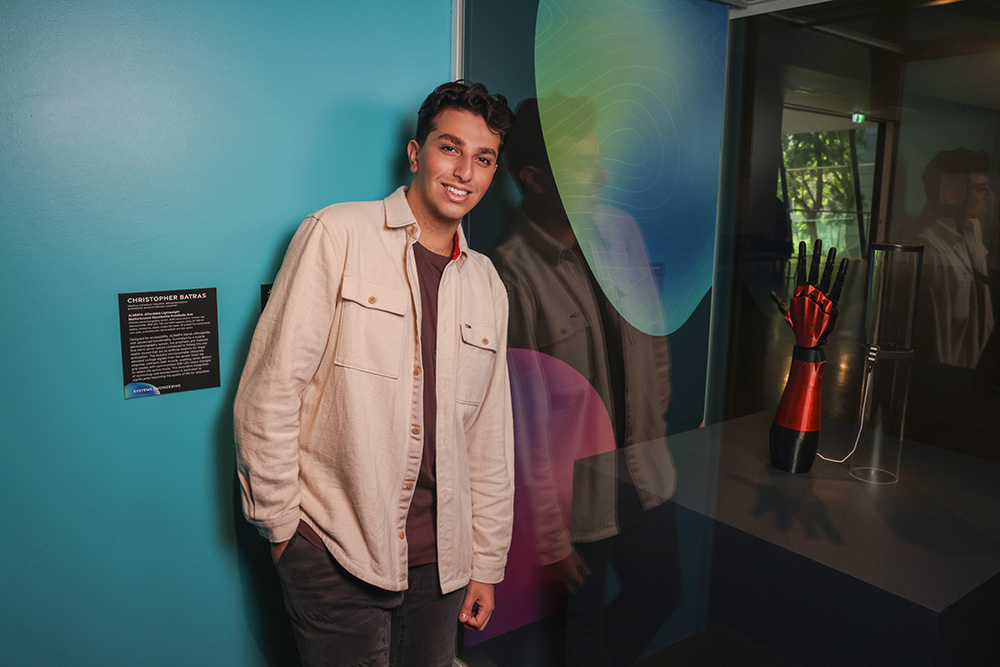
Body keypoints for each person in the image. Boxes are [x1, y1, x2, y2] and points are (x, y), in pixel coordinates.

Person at [233, 80, 515, 667]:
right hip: (336, 551)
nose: (464, 171)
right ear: (416, 154)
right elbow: (270, 391)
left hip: (442, 564)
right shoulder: (336, 234)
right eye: (449, 148)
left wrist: (485, 563)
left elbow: (489, 437)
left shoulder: (487, 281)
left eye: (483, 158)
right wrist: (285, 533)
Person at [493, 97, 681, 667]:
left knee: (663, 596)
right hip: (575, 505)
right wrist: (549, 537)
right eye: (584, 165)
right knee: (579, 638)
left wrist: (652, 434)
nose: (602, 175)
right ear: (536, 180)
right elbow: (519, 422)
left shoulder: (621, 233)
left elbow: (656, 349)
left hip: (646, 477)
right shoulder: (510, 271)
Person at [913, 148, 994, 369]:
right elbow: (935, 338)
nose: (988, 196)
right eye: (979, 189)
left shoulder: (971, 229)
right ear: (953, 190)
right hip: (948, 375)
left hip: (975, 369)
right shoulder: (930, 250)